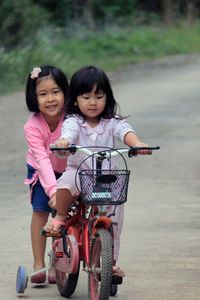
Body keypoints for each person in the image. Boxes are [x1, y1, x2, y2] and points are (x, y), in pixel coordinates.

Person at [44, 65, 152, 279]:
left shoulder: (112, 122)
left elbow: (125, 132)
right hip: (79, 172)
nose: (93, 103)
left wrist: (137, 144)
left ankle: (110, 262)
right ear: (75, 100)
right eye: (86, 97)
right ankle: (60, 217)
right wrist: (64, 142)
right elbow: (69, 134)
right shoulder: (74, 122)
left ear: (107, 98)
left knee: (114, 219)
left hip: (106, 179)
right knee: (65, 184)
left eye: (99, 96)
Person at [24, 65, 69, 284]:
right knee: (41, 211)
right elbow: (42, 160)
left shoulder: (71, 119)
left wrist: (61, 192)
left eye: (55, 92)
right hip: (40, 171)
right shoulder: (32, 126)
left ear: (65, 93)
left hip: (68, 170)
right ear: (34, 98)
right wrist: (53, 190)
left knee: (62, 215)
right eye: (43, 94)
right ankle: (38, 263)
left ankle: (57, 264)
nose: (50, 99)